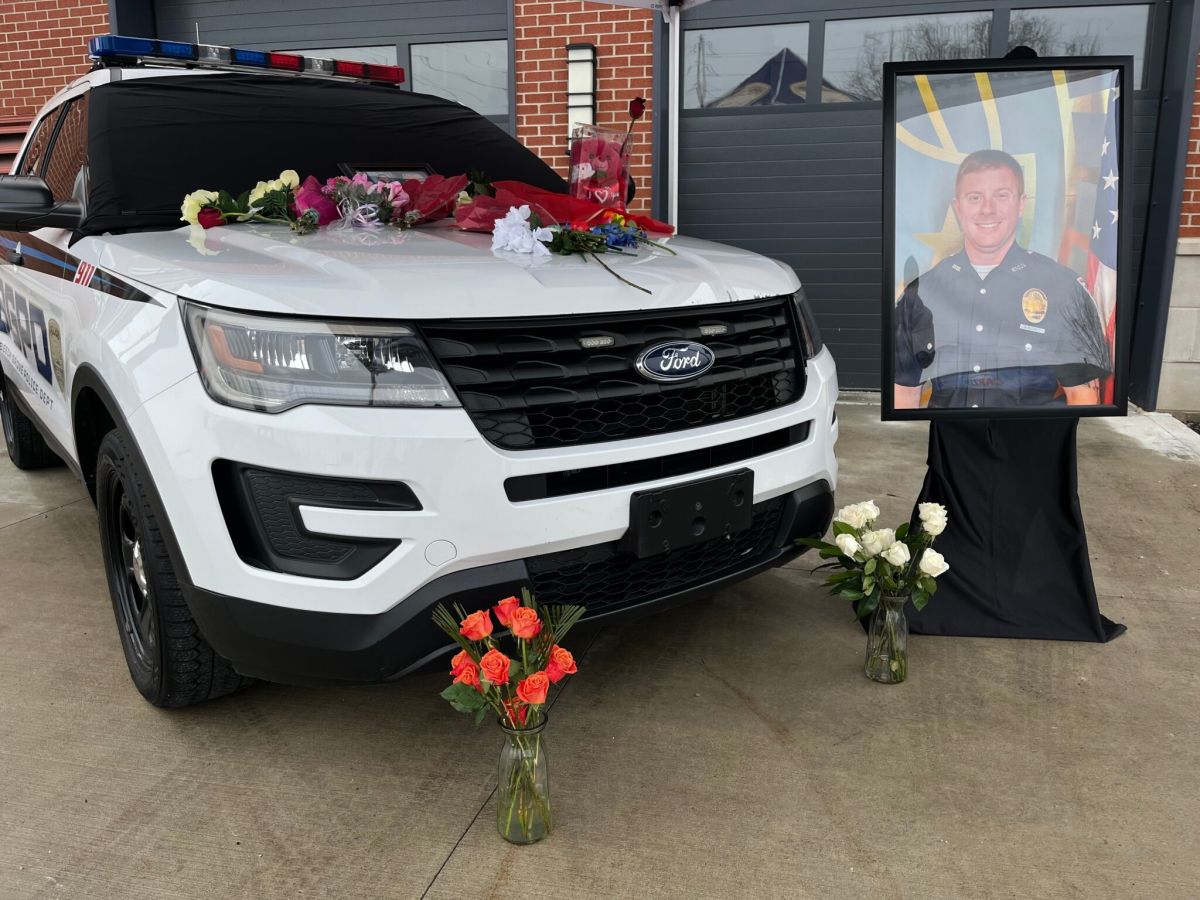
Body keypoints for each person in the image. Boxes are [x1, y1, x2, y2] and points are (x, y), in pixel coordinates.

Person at [894, 149, 1111, 409]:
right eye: (975, 197)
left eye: (1001, 196)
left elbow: (1083, 398)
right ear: (958, 207)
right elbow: (904, 394)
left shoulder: (1063, 290)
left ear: (1021, 204)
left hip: (1033, 447)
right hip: (950, 446)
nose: (988, 209)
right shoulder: (923, 293)